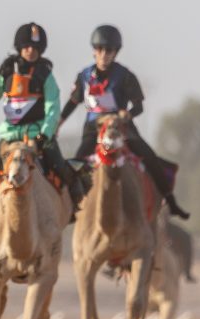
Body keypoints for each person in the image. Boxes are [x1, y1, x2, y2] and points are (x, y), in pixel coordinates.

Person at [59, 24, 190, 219]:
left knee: (149, 156)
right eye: (100, 49)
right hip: (94, 129)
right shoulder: (84, 77)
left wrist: (127, 114)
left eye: (109, 50)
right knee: (77, 162)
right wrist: (59, 123)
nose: (104, 55)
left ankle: (171, 201)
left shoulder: (125, 76)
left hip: (120, 127)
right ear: (94, 51)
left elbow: (139, 106)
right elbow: (73, 102)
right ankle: (71, 206)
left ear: (115, 53)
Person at [0, 22, 84, 213]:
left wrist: (45, 134)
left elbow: (53, 107)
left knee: (58, 164)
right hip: (10, 136)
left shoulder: (45, 75)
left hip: (38, 135)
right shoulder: (6, 73)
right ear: (19, 47)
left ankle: (74, 200)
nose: (31, 51)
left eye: (35, 48)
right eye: (27, 47)